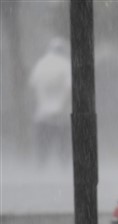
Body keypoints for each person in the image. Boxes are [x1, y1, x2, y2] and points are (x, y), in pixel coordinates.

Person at [28, 37, 72, 166]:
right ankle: (64, 171)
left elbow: (32, 85)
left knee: (43, 149)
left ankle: (41, 172)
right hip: (61, 115)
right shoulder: (65, 65)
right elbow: (70, 87)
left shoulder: (41, 64)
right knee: (63, 148)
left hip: (42, 115)